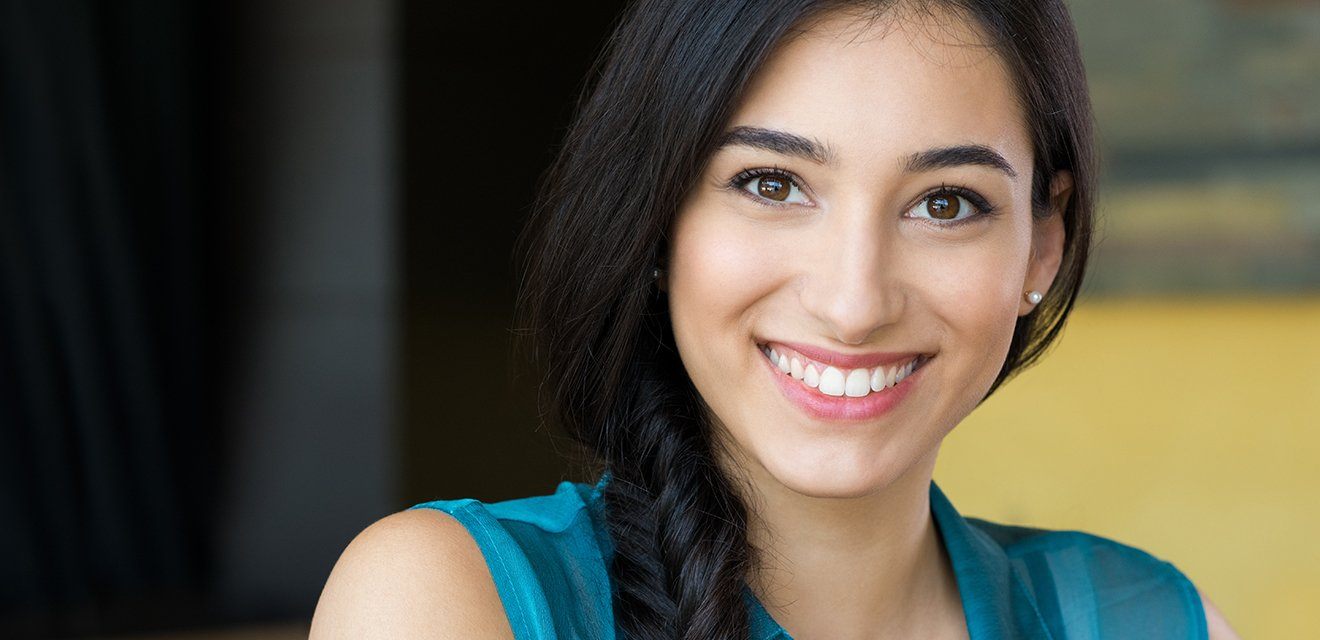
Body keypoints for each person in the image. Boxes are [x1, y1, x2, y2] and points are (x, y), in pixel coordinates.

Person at [310, 1, 1241, 638]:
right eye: (772, 184)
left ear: (1043, 244)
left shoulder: (1144, 618)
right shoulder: (452, 601)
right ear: (660, 216)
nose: (853, 301)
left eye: (946, 203)